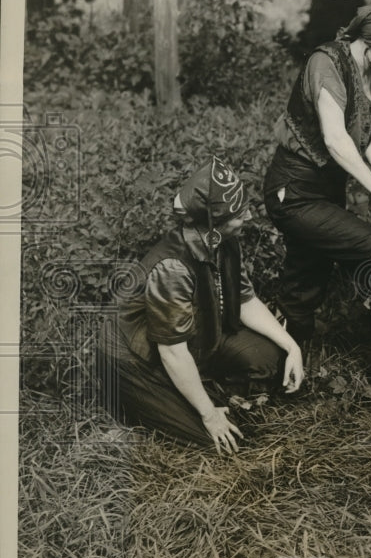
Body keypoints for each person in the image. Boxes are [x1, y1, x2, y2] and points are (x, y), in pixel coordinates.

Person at [98, 158, 304, 454]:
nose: (248, 216)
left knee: (269, 358)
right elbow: (171, 351)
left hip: (192, 337)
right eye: (238, 212)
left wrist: (291, 346)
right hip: (136, 359)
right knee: (216, 440)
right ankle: (136, 418)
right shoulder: (172, 268)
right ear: (213, 223)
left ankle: (200, 394)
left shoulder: (226, 242)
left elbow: (246, 300)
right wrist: (208, 416)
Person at [263, 0, 371, 353]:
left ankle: (287, 351)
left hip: (326, 190)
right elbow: (336, 140)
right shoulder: (326, 63)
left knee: (306, 273)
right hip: (294, 190)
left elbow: (369, 134)